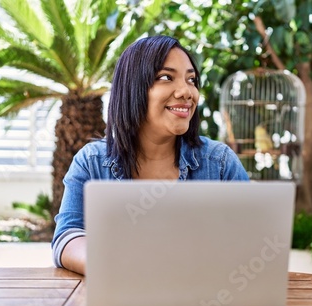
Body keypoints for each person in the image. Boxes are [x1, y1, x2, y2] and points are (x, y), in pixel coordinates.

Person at [51, 35, 249, 275]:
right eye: (166, 77)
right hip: (119, 303)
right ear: (133, 88)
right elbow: (68, 237)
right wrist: (113, 265)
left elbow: (250, 241)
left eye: (191, 80)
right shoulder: (91, 162)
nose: (186, 92)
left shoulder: (219, 163)